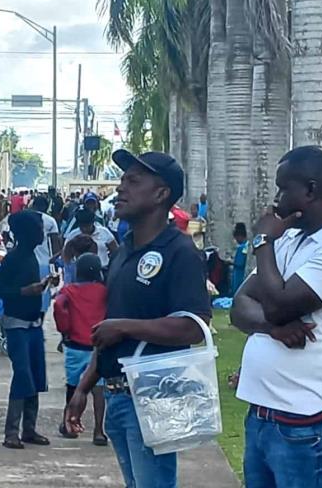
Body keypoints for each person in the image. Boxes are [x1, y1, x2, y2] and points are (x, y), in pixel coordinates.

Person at [230, 145, 322, 488]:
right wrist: (271, 327)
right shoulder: (290, 239)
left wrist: (263, 240)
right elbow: (239, 307)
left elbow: (279, 303)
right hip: (263, 416)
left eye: (284, 188)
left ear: (310, 190)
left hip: (310, 423)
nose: (276, 200)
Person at [66, 150, 210, 487]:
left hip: (155, 396)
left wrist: (126, 327)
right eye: (122, 180)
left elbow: (194, 325)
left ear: (161, 194)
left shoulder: (180, 251)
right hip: (117, 395)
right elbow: (110, 325)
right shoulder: (124, 249)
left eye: (133, 181)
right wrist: (84, 386)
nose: (120, 189)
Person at [0, 211, 57, 449]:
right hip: (16, 323)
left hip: (34, 323)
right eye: (38, 229)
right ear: (26, 234)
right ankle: (11, 431)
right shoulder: (14, 259)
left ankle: (29, 428)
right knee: (23, 374)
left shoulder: (31, 257)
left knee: (37, 374)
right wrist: (23, 292)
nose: (42, 234)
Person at [54, 253, 107, 446]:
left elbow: (59, 306)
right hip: (98, 345)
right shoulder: (103, 291)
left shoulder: (69, 290)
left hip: (75, 344)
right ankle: (99, 431)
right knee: (99, 389)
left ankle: (69, 423)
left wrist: (64, 329)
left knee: (74, 387)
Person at [30, 196, 63, 314]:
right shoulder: (50, 221)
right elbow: (55, 244)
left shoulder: (24, 217)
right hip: (44, 263)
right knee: (42, 296)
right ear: (46, 207)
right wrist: (55, 260)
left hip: (25, 261)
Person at [231, 223, 250, 296]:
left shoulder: (241, 248)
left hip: (239, 273)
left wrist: (230, 262)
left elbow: (239, 262)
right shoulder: (247, 245)